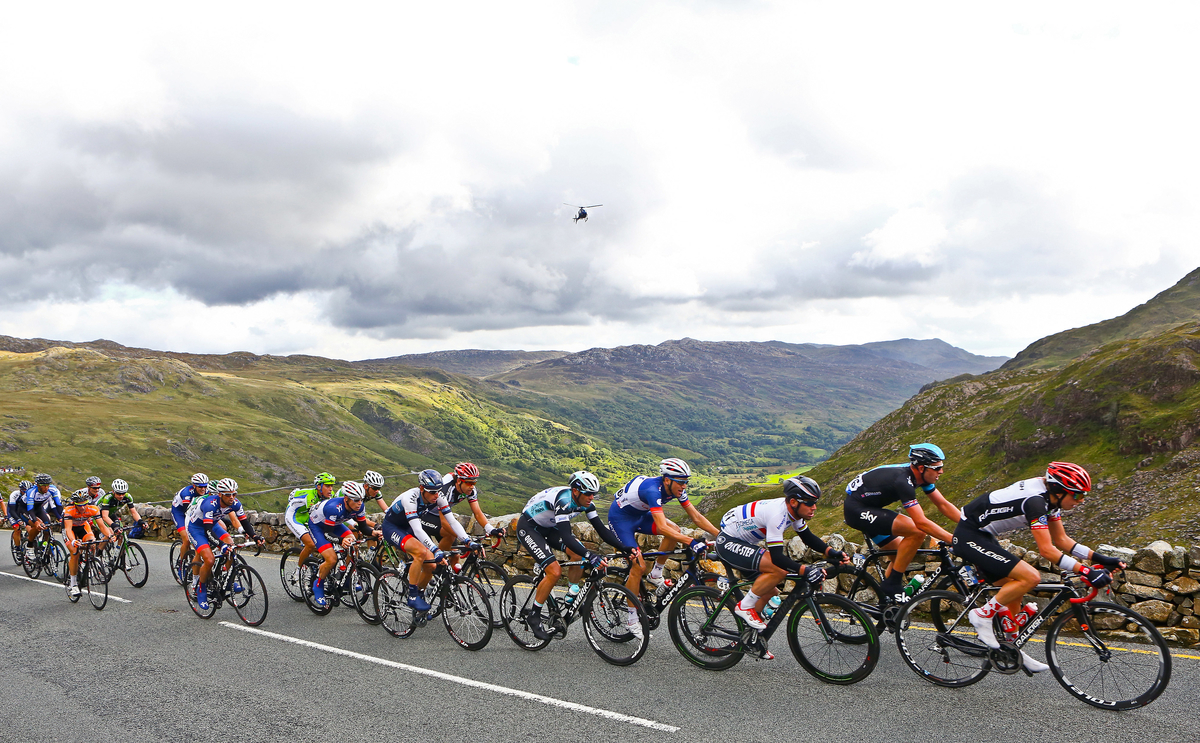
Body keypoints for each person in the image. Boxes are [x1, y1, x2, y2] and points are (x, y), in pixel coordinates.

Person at [954, 462, 1124, 674]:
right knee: (1030, 577)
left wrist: (1101, 557)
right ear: (1060, 491)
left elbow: (1062, 540)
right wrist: (1087, 571)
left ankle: (1011, 646)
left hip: (985, 535)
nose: (1081, 501)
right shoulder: (1036, 502)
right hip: (969, 534)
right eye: (1078, 495)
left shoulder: (1051, 500)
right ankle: (982, 615)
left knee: (1016, 586)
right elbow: (1047, 551)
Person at [717, 476, 850, 651]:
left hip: (745, 542)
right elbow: (778, 558)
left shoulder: (794, 512)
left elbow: (808, 537)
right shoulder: (777, 515)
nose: (814, 507)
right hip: (728, 540)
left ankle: (750, 639)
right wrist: (805, 570)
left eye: (815, 502)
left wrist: (831, 552)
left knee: (770, 590)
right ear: (794, 502)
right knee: (778, 571)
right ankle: (745, 606)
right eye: (810, 503)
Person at [843, 443, 961, 606]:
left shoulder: (921, 476)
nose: (941, 471)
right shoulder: (903, 480)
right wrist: (953, 539)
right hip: (856, 510)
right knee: (917, 532)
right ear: (921, 468)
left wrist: (968, 524)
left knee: (900, 555)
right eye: (937, 467)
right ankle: (892, 586)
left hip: (871, 507)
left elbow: (942, 504)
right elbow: (921, 523)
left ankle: (887, 605)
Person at [516, 471, 628, 640]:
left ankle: (572, 592)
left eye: (594, 494)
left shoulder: (586, 503)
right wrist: (591, 555)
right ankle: (534, 614)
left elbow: (602, 530)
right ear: (576, 491)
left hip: (549, 527)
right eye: (588, 493)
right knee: (554, 571)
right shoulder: (563, 501)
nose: (591, 497)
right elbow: (567, 537)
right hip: (530, 528)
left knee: (579, 553)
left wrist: (624, 548)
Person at [608, 458, 718, 618]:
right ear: (667, 480)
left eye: (686, 481)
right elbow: (662, 527)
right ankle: (632, 618)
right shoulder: (652, 490)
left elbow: (696, 517)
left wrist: (720, 535)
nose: (684, 486)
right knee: (638, 566)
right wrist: (691, 542)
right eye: (681, 482)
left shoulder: (677, 489)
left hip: (640, 515)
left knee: (675, 529)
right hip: (620, 520)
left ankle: (655, 574)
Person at [379, 469, 475, 612]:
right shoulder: (410, 498)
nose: (436, 496)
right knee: (420, 553)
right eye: (432, 492)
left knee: (431, 565)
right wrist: (436, 549)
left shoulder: (437, 496)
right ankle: (412, 597)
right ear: (422, 489)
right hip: (393, 527)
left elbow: (452, 521)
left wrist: (468, 541)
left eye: (438, 491)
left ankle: (420, 594)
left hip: (409, 527)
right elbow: (418, 530)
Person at [185, 478, 260, 611]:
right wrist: (221, 545)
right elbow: (207, 531)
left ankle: (226, 580)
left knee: (231, 545)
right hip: (197, 529)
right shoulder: (210, 504)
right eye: (228, 495)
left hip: (212, 525)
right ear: (220, 494)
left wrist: (255, 536)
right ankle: (201, 589)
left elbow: (244, 522)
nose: (231, 497)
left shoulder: (235, 503)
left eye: (234, 494)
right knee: (209, 559)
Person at [307, 480, 382, 608]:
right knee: (331, 559)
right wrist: (341, 540)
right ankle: (318, 585)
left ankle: (346, 580)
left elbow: (363, 527)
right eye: (356, 500)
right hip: (319, 527)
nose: (359, 503)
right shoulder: (334, 508)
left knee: (355, 546)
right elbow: (328, 534)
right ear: (346, 498)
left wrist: (374, 532)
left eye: (361, 500)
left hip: (336, 524)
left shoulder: (360, 505)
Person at [434, 463, 505, 570]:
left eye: (474, 482)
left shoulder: (470, 490)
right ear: (459, 481)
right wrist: (466, 539)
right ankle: (434, 566)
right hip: (428, 515)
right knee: (450, 536)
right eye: (469, 483)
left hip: (444, 515)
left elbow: (477, 512)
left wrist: (490, 529)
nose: (472, 486)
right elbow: (444, 523)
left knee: (455, 556)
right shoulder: (446, 487)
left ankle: (452, 585)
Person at [61, 489, 114, 598]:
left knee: (92, 542)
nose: (82, 507)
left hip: (82, 526)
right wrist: (73, 541)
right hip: (69, 529)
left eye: (84, 504)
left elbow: (102, 526)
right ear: (74, 504)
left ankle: (87, 562)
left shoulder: (93, 509)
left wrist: (109, 535)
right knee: (75, 552)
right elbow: (68, 529)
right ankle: (73, 584)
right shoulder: (68, 510)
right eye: (79, 505)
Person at [284, 472, 336, 573]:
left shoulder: (331, 495)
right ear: (318, 487)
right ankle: (298, 571)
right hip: (294, 516)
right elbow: (316, 517)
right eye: (327, 486)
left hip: (307, 515)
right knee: (311, 544)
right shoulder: (310, 496)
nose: (330, 489)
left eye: (332, 486)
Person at [171, 473, 210, 579]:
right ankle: (181, 564)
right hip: (180, 512)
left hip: (193, 512)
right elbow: (189, 513)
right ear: (194, 486)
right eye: (200, 487)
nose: (203, 489)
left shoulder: (207, 491)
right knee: (187, 539)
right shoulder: (187, 494)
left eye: (205, 486)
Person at [20, 473, 63, 560]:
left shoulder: (52, 489)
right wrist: (36, 522)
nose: (47, 488)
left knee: (47, 524)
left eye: (48, 485)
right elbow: (30, 510)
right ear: (38, 485)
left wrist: (61, 518)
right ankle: (29, 546)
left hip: (39, 509)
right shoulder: (31, 492)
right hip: (25, 510)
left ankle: (44, 546)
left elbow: (58, 505)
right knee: (38, 526)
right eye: (44, 486)